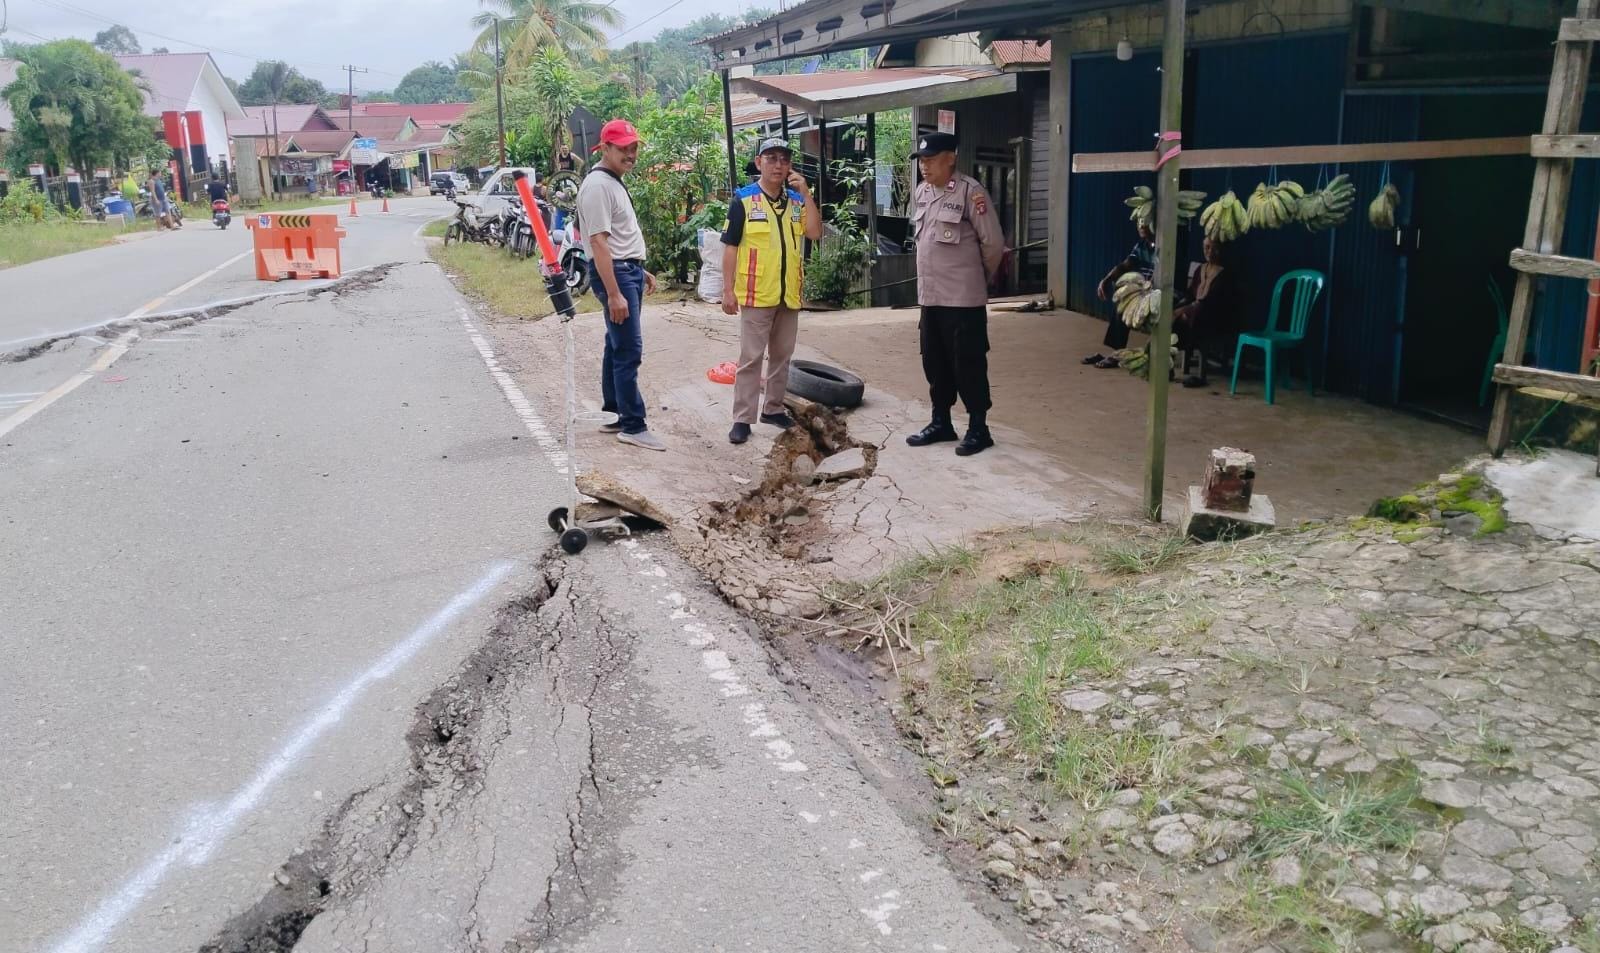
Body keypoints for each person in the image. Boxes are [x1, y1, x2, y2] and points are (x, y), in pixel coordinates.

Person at [719, 138, 824, 445]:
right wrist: (728, 290)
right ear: (758, 162)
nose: (778, 165)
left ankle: (773, 408)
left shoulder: (795, 200)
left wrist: (806, 194)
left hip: (788, 293)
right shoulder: (744, 200)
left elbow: (815, 232)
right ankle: (742, 418)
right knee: (751, 358)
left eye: (784, 160)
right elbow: (730, 247)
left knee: (782, 356)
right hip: (756, 293)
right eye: (772, 158)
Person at [906, 132, 1005, 456]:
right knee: (935, 362)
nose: (925, 166)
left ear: (951, 157)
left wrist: (978, 279)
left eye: (931, 159)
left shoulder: (970, 192)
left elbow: (992, 244)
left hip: (963, 298)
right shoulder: (921, 192)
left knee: (969, 362)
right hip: (931, 297)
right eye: (922, 160)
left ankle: (979, 428)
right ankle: (941, 422)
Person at [576, 118, 664, 451]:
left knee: (616, 345)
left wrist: (639, 269)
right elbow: (598, 242)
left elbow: (619, 237)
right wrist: (614, 292)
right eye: (624, 148)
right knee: (629, 350)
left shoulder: (611, 181)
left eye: (634, 147)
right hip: (615, 273)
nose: (631, 153)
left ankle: (614, 412)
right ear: (606, 148)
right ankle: (633, 424)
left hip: (626, 270)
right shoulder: (598, 185)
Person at [1171, 236, 1242, 388]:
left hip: (1216, 318)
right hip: (1194, 313)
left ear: (1220, 249)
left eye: (1212, 247)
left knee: (1198, 313)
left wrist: (1185, 310)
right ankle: (1168, 366)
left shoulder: (1225, 273)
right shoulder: (1200, 269)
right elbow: (1190, 294)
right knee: (1174, 316)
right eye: (1206, 247)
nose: (1209, 251)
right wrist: (1179, 306)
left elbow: (1214, 302)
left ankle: (1200, 376)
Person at [1085, 221, 1157, 368]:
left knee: (1128, 304)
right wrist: (1105, 280)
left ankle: (1118, 355)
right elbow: (1125, 265)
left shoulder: (1163, 247)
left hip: (1159, 293)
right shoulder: (1141, 246)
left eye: (1146, 221)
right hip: (1144, 291)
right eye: (1139, 222)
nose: (1141, 225)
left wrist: (1146, 288)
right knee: (1122, 303)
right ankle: (1116, 353)